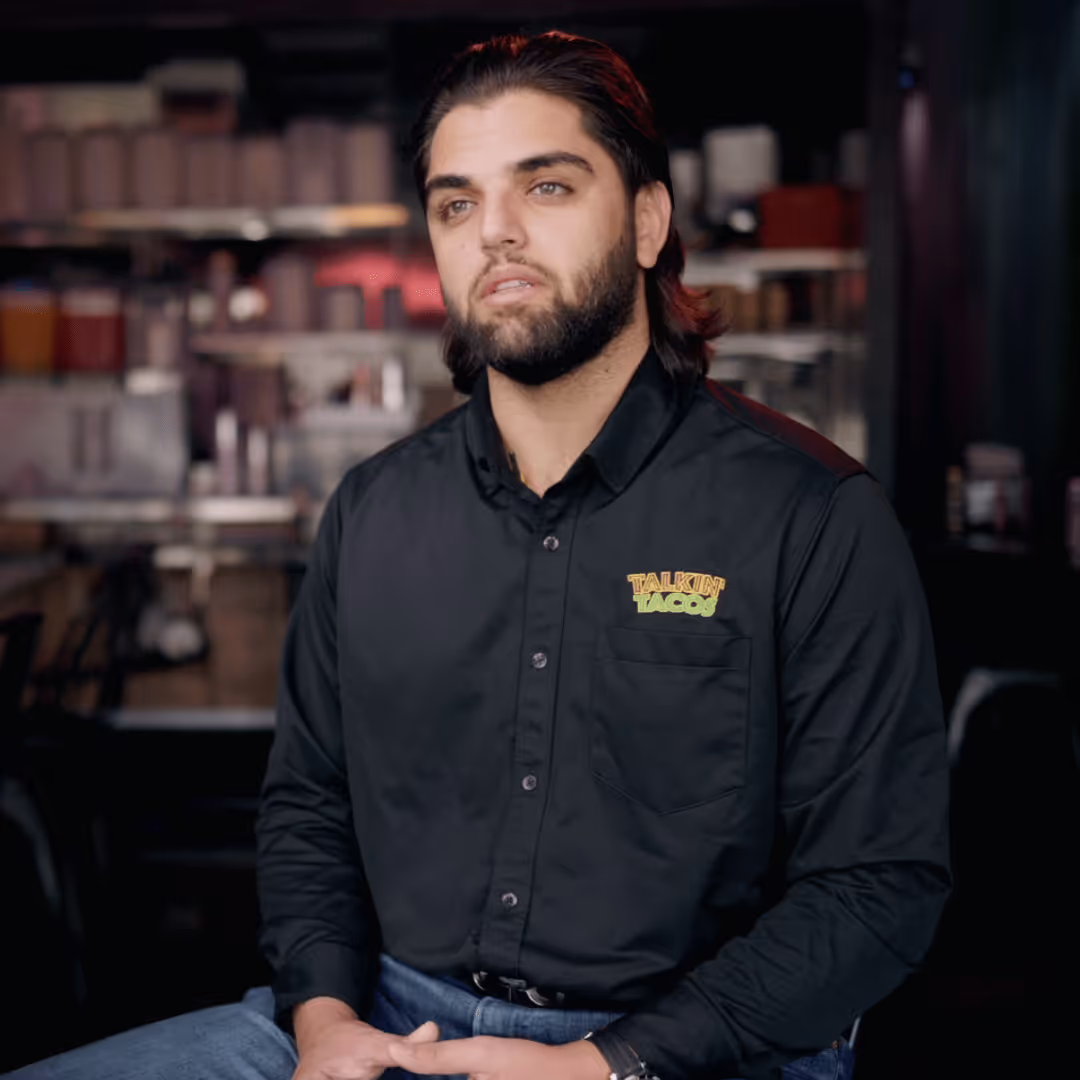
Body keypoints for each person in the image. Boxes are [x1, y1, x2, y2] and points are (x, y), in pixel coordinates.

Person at [4, 30, 951, 1080]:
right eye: (456, 203)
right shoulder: (373, 514)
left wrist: (607, 1064)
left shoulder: (812, 517)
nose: (493, 232)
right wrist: (323, 1024)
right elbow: (310, 806)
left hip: (691, 1049)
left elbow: (877, 884)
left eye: (545, 187)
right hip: (381, 1024)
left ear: (646, 222)